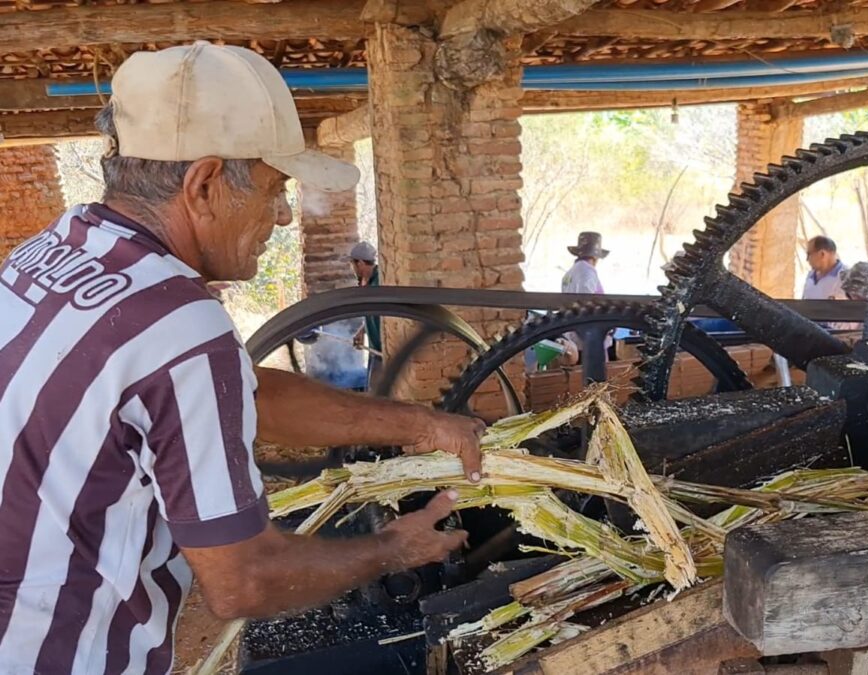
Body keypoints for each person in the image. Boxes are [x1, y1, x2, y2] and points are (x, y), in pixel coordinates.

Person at [0, 42, 484, 674]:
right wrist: (393, 548)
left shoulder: (59, 249)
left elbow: (242, 392)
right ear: (203, 184)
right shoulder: (175, 325)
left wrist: (424, 425)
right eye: (273, 189)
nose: (281, 216)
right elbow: (244, 582)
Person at [559, 232, 610, 364]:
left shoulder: (569, 274)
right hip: (588, 337)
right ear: (595, 256)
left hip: (573, 333)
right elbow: (587, 302)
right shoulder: (588, 272)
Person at [350, 240, 383, 384]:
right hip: (374, 349)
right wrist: (362, 330)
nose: (352, 268)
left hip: (382, 351)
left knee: (377, 393)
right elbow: (372, 312)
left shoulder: (379, 283)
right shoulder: (366, 281)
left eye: (353, 264)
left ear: (361, 263)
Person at [802, 235, 848, 301]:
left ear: (822, 254)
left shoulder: (847, 278)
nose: (807, 259)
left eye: (809, 254)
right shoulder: (810, 276)